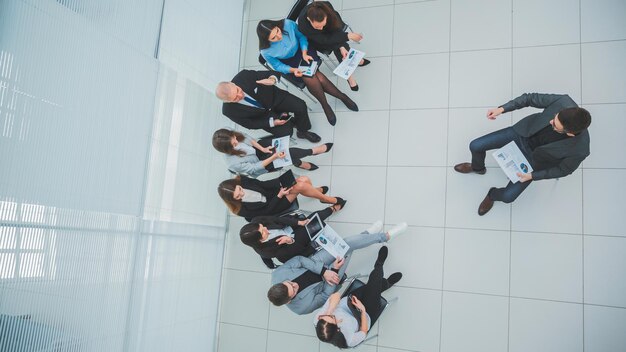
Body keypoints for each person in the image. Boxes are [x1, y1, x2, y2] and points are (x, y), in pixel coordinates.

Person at [454, 93, 591, 215]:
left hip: (535, 160)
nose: (551, 123)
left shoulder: (580, 149)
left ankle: (492, 195)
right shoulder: (564, 101)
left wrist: (532, 176)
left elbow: (563, 170)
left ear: (570, 134)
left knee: (508, 197)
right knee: (475, 145)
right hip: (522, 134)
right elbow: (529, 98)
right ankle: (478, 168)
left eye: (555, 126)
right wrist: (502, 109)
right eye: (554, 118)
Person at [267, 221, 407, 315]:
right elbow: (325, 296)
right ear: (289, 300)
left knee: (345, 244)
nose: (294, 284)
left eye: (290, 282)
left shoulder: (277, 275)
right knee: (347, 249)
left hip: (317, 263)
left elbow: (299, 260)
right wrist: (332, 271)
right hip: (330, 281)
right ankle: (367, 235)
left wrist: (323, 271)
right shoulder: (300, 308)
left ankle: (384, 236)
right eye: (294, 289)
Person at [257, 18, 358, 126]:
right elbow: (277, 66)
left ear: (277, 25)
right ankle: (341, 97)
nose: (279, 36)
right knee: (313, 76)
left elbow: (301, 36)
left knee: (311, 76)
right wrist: (293, 70)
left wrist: (304, 52)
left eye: (277, 30)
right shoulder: (265, 51)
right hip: (291, 64)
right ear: (266, 40)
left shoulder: (287, 24)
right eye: (273, 38)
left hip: (304, 50)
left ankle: (326, 105)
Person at [314, 246, 401, 348]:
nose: (329, 315)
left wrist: (329, 312)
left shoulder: (319, 320)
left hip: (350, 302)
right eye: (332, 318)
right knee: (373, 285)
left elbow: (336, 295)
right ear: (337, 328)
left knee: (372, 287)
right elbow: (363, 332)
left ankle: (385, 283)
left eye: (324, 317)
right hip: (365, 314)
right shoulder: (348, 340)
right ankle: (379, 267)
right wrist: (363, 310)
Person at [216, 69, 321, 143]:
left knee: (301, 106)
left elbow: (272, 73)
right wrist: (272, 122)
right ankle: (291, 123)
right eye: (235, 98)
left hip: (275, 97)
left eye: (238, 90)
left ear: (232, 84)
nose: (240, 95)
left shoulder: (243, 76)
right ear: (227, 101)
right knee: (287, 132)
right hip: (264, 117)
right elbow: (250, 124)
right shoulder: (228, 111)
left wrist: (272, 79)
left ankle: (303, 131)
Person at [297, 1, 370, 91]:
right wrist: (347, 37)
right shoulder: (303, 25)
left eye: (323, 25)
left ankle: (349, 75)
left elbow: (336, 25)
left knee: (342, 49)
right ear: (309, 19)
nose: (321, 29)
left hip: (330, 33)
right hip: (318, 41)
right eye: (317, 27)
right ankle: (352, 71)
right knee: (340, 48)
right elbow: (324, 40)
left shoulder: (326, 6)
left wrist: (342, 45)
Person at [217, 175, 346, 221]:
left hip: (273, 194)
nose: (242, 194)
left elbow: (263, 184)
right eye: (238, 196)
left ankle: (318, 194)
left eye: (240, 190)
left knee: (303, 179)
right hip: (274, 207)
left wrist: (281, 181)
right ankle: (329, 199)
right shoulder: (239, 210)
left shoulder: (242, 180)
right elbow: (266, 212)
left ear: (238, 184)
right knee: (301, 185)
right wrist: (279, 196)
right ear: (233, 200)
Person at [212, 128, 333, 177]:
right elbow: (254, 168)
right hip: (260, 163)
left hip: (258, 149)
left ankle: (299, 163)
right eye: (234, 145)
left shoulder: (228, 134)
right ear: (227, 150)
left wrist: (262, 148)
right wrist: (274, 156)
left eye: (235, 138)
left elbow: (247, 138)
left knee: (285, 152)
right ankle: (314, 151)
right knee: (288, 154)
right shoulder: (232, 163)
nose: (236, 142)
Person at [239, 206, 336, 264]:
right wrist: (290, 241)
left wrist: (298, 222)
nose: (265, 228)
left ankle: (331, 209)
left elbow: (278, 219)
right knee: (314, 224)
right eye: (263, 232)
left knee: (312, 219)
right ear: (259, 240)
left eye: (261, 226)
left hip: (288, 226)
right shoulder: (266, 251)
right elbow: (294, 251)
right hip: (293, 242)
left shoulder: (256, 220)